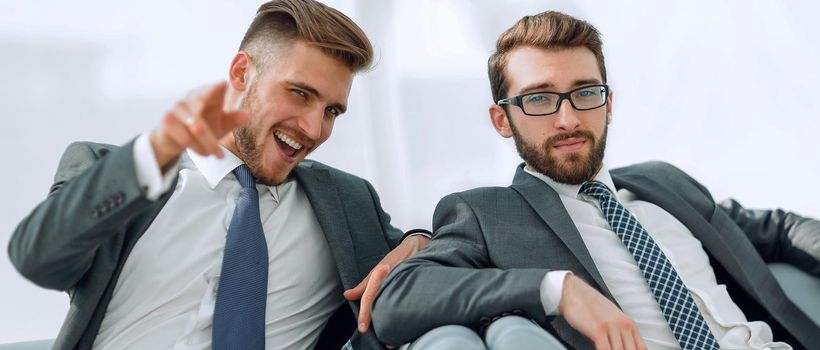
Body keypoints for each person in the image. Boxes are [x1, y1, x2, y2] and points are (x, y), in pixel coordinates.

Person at [371, 10, 820, 350]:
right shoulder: (487, 213)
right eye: (540, 99)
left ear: (608, 103)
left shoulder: (663, 182)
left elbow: (779, 228)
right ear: (502, 120)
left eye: (585, 93)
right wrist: (556, 288)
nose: (568, 119)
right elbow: (399, 299)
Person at [8, 1, 431, 349]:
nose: (314, 129)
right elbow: (39, 257)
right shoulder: (116, 172)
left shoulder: (347, 203)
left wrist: (419, 243)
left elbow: (443, 253)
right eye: (300, 94)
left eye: (332, 111)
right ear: (241, 74)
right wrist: (154, 152)